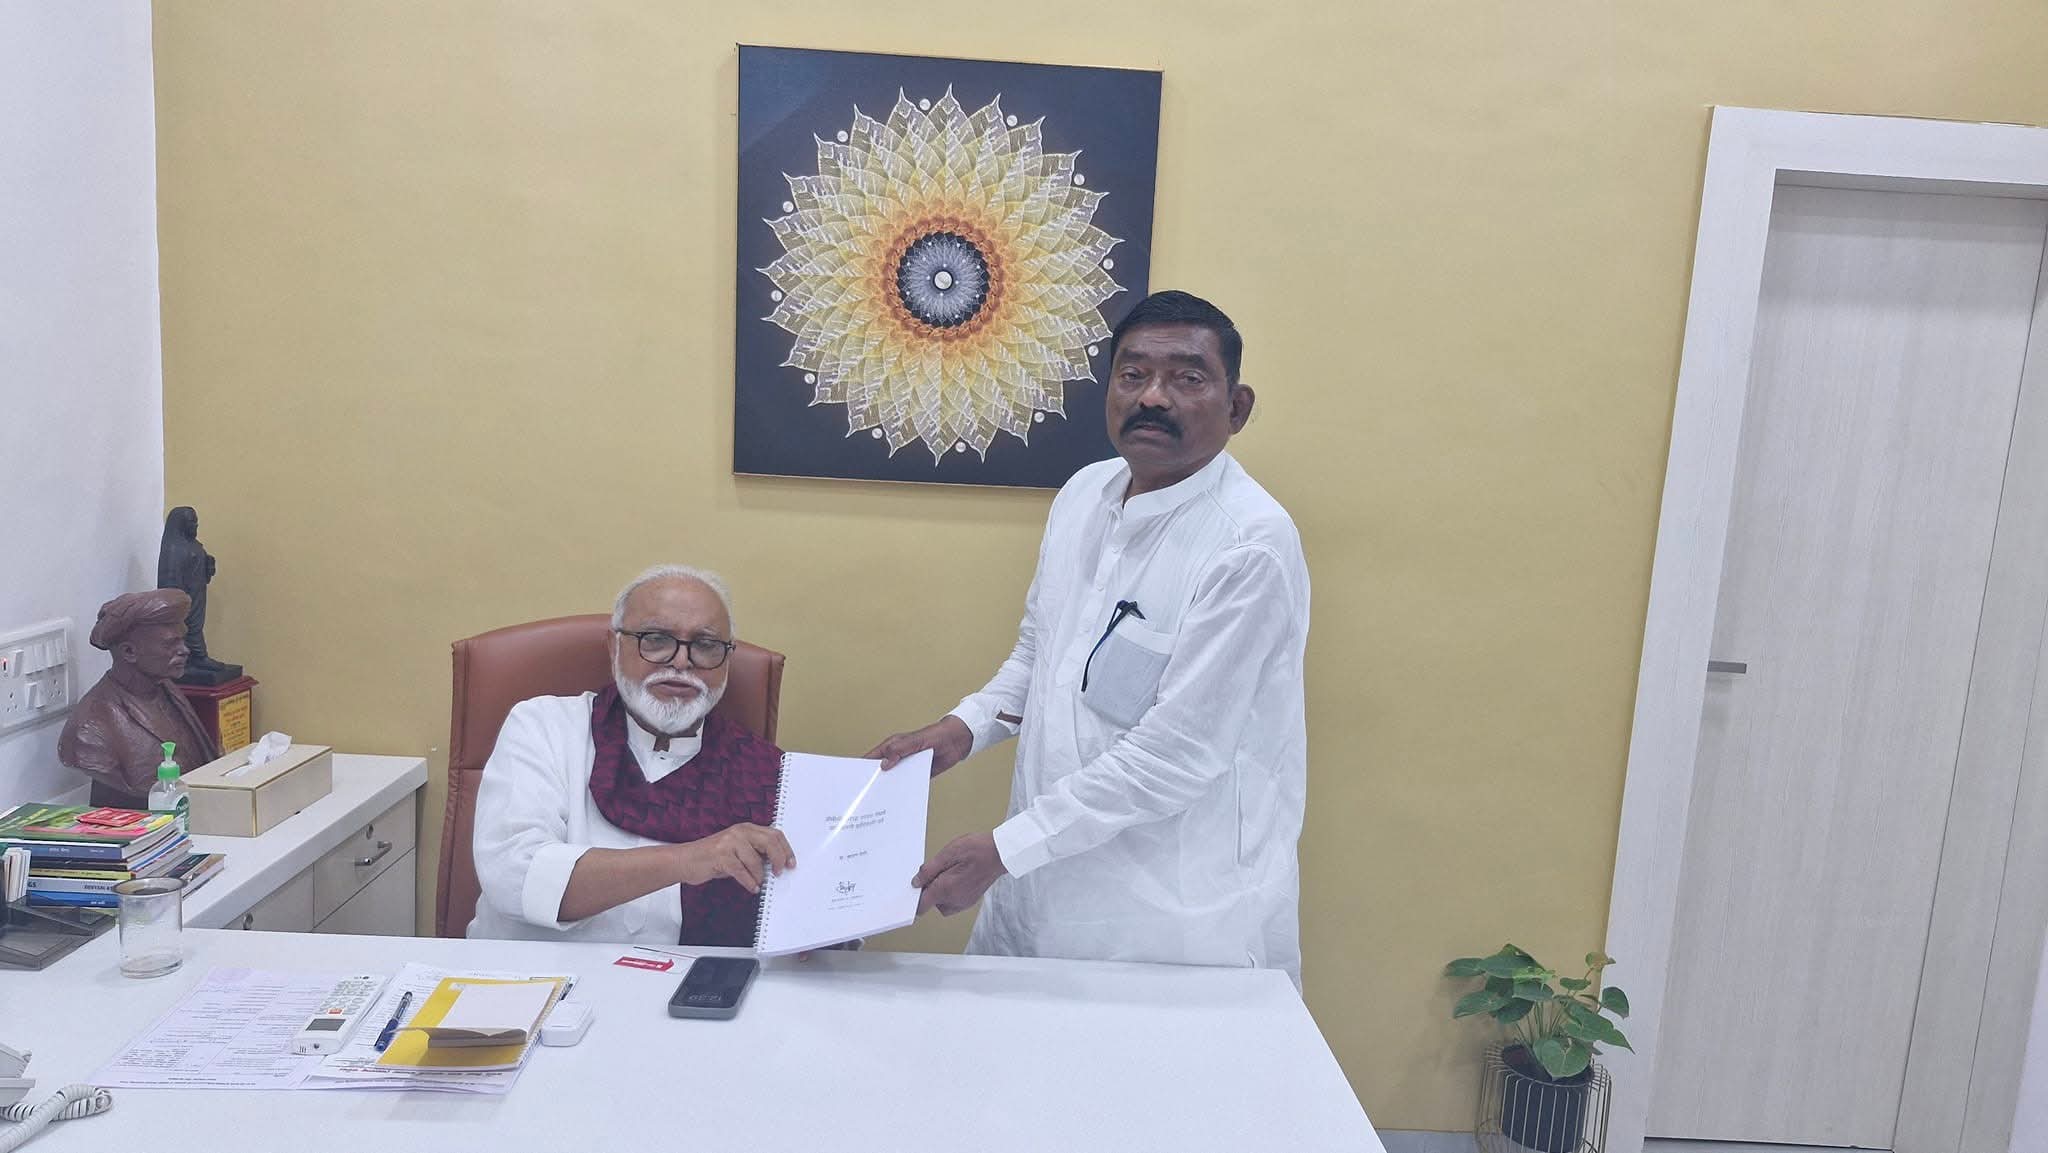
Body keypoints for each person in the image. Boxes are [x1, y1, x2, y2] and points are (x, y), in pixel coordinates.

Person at [869, 290, 1312, 981]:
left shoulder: (1248, 545)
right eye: (1133, 374)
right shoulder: (1084, 496)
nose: (1153, 397)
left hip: (1166, 918)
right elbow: (1041, 654)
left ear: (1237, 407)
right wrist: (962, 729)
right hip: (1038, 889)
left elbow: (1177, 754)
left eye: (1187, 377)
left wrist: (1004, 850)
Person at [467, 565, 796, 946]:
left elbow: (799, 906)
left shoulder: (767, 774)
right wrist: (691, 860)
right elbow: (512, 876)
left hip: (688, 979)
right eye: (656, 639)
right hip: (526, 973)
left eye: (706, 645)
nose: (681, 662)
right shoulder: (543, 726)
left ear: (727, 660)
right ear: (614, 646)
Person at [58, 589, 223, 808]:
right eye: (170, 644)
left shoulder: (168, 690)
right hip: (142, 823)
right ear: (129, 652)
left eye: (182, 640)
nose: (184, 650)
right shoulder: (90, 726)